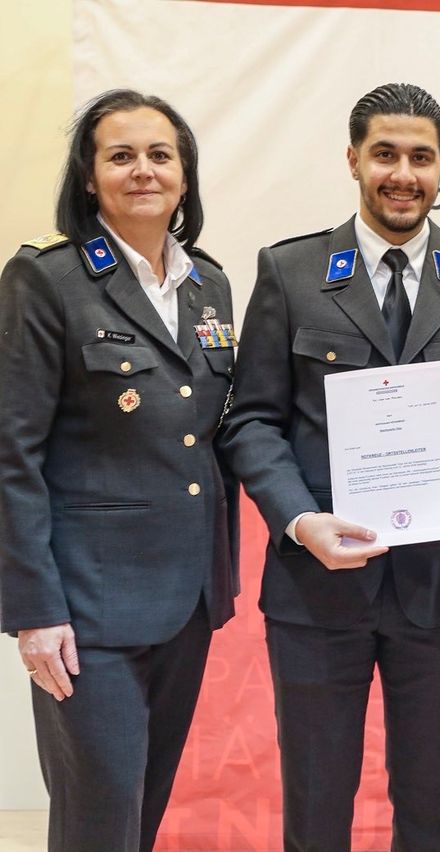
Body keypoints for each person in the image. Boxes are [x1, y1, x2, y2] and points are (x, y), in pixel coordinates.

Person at [218, 82, 440, 851]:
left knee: (431, 809)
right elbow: (253, 420)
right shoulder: (291, 273)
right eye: (385, 154)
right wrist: (300, 520)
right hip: (317, 585)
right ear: (353, 160)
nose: (403, 173)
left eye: (421, 157)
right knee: (316, 807)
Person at [0, 89, 237, 852]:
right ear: (90, 174)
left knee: (142, 813)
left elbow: (213, 434)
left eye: (161, 155)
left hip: (187, 599)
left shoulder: (210, 284)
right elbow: (13, 452)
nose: (144, 170)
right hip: (86, 611)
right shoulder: (47, 278)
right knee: (98, 823)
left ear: (185, 176)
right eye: (121, 155)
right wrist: (33, 610)